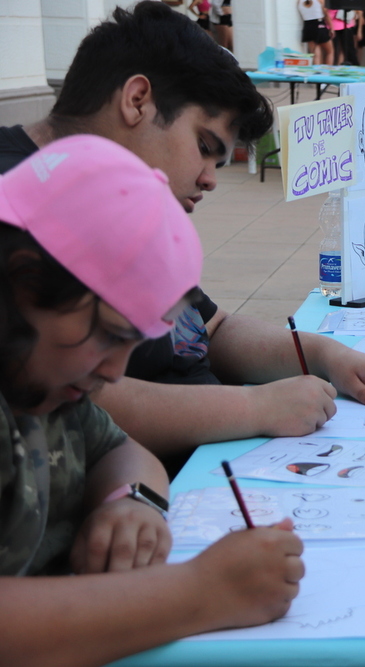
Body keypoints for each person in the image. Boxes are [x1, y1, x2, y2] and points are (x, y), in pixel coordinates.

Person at [0, 1, 365, 475]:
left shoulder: (129, 206)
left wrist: (327, 355)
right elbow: (77, 390)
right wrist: (253, 409)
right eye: (204, 148)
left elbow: (209, 327)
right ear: (137, 100)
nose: (209, 180)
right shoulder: (18, 202)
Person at [0, 133, 305, 667]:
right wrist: (201, 594)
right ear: (27, 283)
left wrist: (130, 501)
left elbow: (119, 448)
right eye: (110, 336)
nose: (115, 372)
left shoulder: (47, 382)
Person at [299, 0, 333, 66]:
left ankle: (317, 72)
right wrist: (331, 28)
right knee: (330, 52)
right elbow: (326, 15)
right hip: (319, 24)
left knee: (315, 55)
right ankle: (328, 70)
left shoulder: (300, 1)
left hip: (307, 26)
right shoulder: (320, 1)